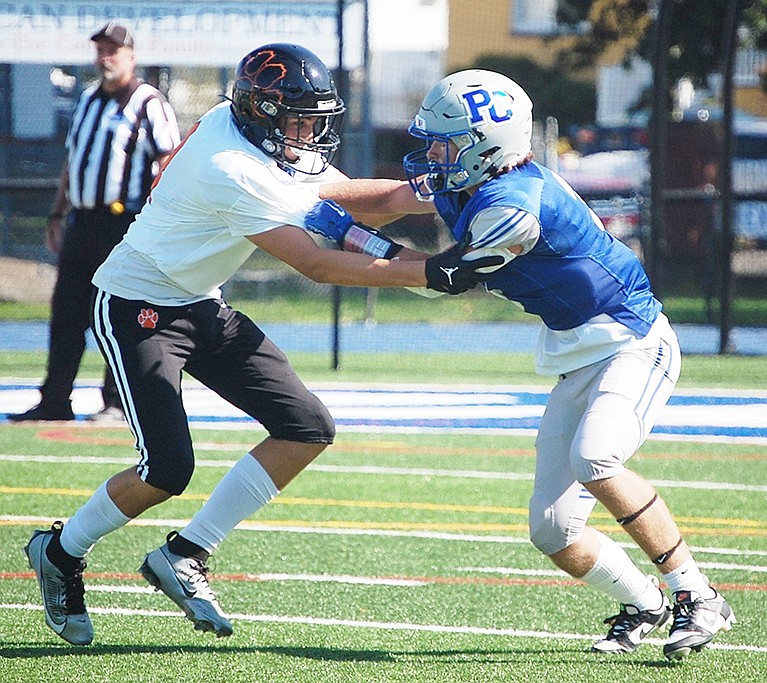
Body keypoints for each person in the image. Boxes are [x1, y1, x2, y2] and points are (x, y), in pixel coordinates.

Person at [23, 44, 501, 646]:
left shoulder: (246, 130)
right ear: (264, 113)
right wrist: (427, 272)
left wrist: (437, 189)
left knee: (306, 426)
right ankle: (61, 552)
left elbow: (348, 196)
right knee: (167, 469)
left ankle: (186, 553)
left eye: (314, 120)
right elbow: (317, 263)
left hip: (200, 301)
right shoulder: (231, 166)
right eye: (300, 120)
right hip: (137, 307)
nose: (309, 135)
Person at [310, 70, 736, 662]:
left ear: (485, 146)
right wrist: (315, 196)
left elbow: (441, 279)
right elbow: (390, 200)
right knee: (552, 529)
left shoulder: (513, 206)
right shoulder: (470, 180)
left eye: (445, 141)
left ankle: (698, 594)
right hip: (578, 354)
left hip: (631, 342)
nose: (433, 151)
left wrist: (350, 238)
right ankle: (644, 602)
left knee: (596, 457)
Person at [11, 21, 181, 424]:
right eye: (100, 50)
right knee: (67, 312)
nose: (105, 58)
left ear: (131, 57)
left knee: (120, 312)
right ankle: (54, 400)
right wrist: (58, 212)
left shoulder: (148, 103)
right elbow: (74, 161)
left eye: (113, 51)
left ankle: (116, 402)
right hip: (83, 223)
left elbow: (168, 162)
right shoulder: (87, 99)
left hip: (126, 224)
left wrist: (160, 223)